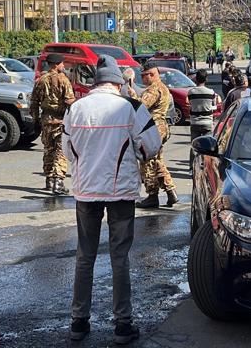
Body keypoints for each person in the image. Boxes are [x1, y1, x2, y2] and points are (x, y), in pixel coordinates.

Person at [63, 55, 161, 345]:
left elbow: (67, 149)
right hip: (121, 194)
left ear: (96, 82)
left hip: (86, 192)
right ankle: (122, 325)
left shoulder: (75, 109)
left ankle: (78, 323)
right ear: (118, 82)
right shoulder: (131, 107)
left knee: (85, 257)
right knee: (119, 258)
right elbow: (151, 146)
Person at [128, 65, 178, 208]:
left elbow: (141, 106)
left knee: (147, 160)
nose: (142, 78)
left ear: (151, 75)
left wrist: (132, 95)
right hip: (160, 126)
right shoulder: (163, 87)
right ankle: (170, 191)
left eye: (144, 75)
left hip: (152, 127)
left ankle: (152, 195)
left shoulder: (154, 89)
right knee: (157, 160)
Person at [30, 53, 76, 194]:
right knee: (60, 151)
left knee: (48, 149)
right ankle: (58, 182)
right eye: (62, 63)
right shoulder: (63, 80)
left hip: (46, 119)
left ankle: (49, 180)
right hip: (61, 120)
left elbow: (34, 102)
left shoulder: (40, 80)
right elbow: (69, 101)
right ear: (56, 65)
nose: (63, 66)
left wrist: (36, 119)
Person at [188, 69, 217, 141]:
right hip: (207, 122)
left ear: (196, 79)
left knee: (195, 146)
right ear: (206, 79)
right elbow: (214, 106)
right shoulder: (211, 92)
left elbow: (190, 104)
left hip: (195, 122)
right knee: (207, 147)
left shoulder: (191, 92)